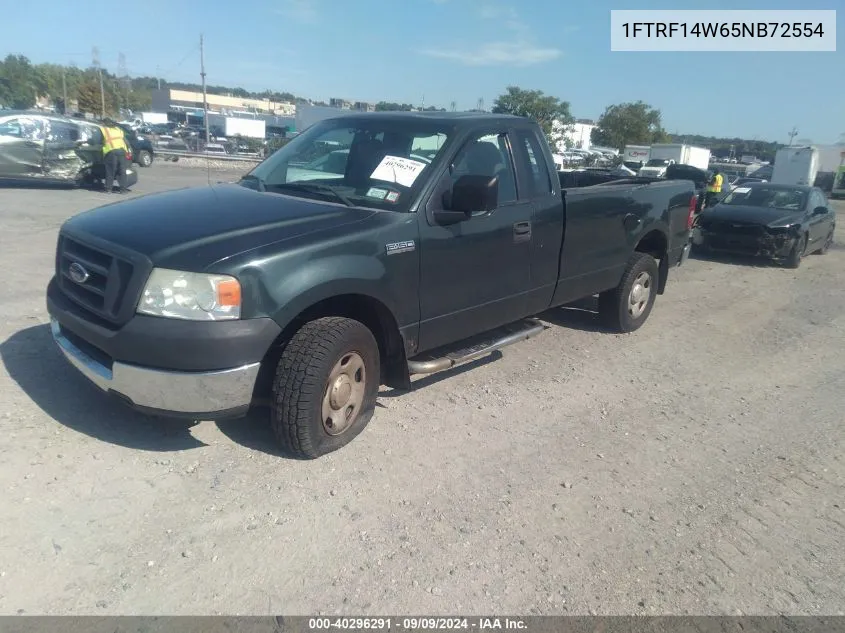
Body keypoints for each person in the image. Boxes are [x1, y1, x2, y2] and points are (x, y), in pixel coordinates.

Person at [99, 118, 129, 194]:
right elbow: (126, 141)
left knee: (110, 171)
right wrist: (128, 151)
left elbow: (94, 140)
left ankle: (108, 189)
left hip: (111, 152)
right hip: (122, 151)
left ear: (104, 123)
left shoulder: (104, 130)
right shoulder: (118, 130)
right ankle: (123, 190)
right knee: (122, 171)